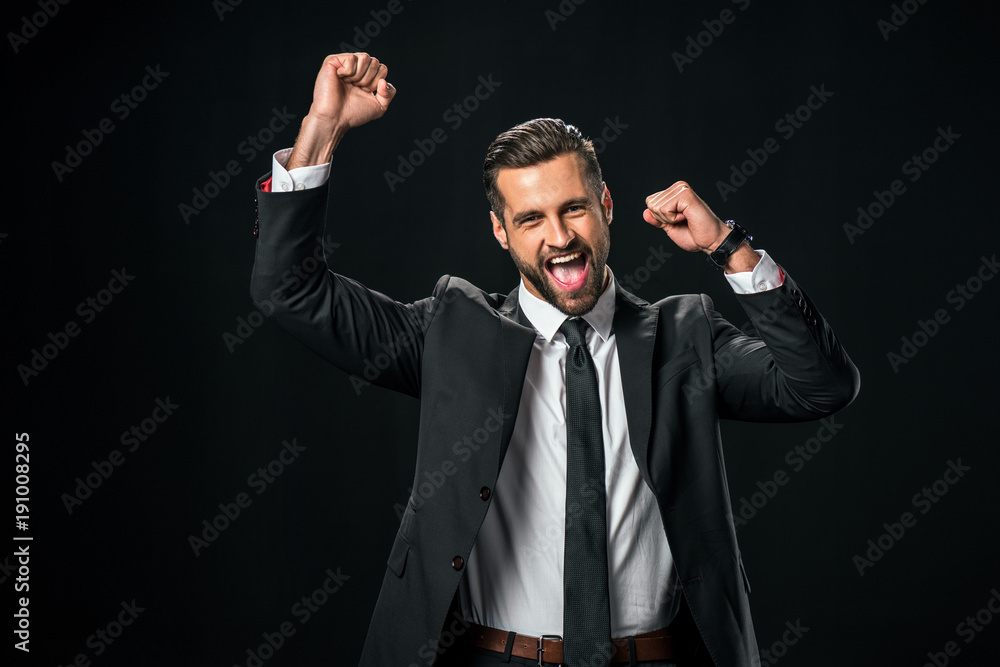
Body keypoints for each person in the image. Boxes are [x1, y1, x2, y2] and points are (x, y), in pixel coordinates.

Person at [249, 52, 860, 667]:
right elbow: (289, 289)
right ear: (500, 232)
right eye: (531, 219)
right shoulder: (450, 333)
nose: (560, 237)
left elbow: (821, 387)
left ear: (606, 206)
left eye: (574, 208)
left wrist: (729, 249)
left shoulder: (685, 338)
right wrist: (323, 127)